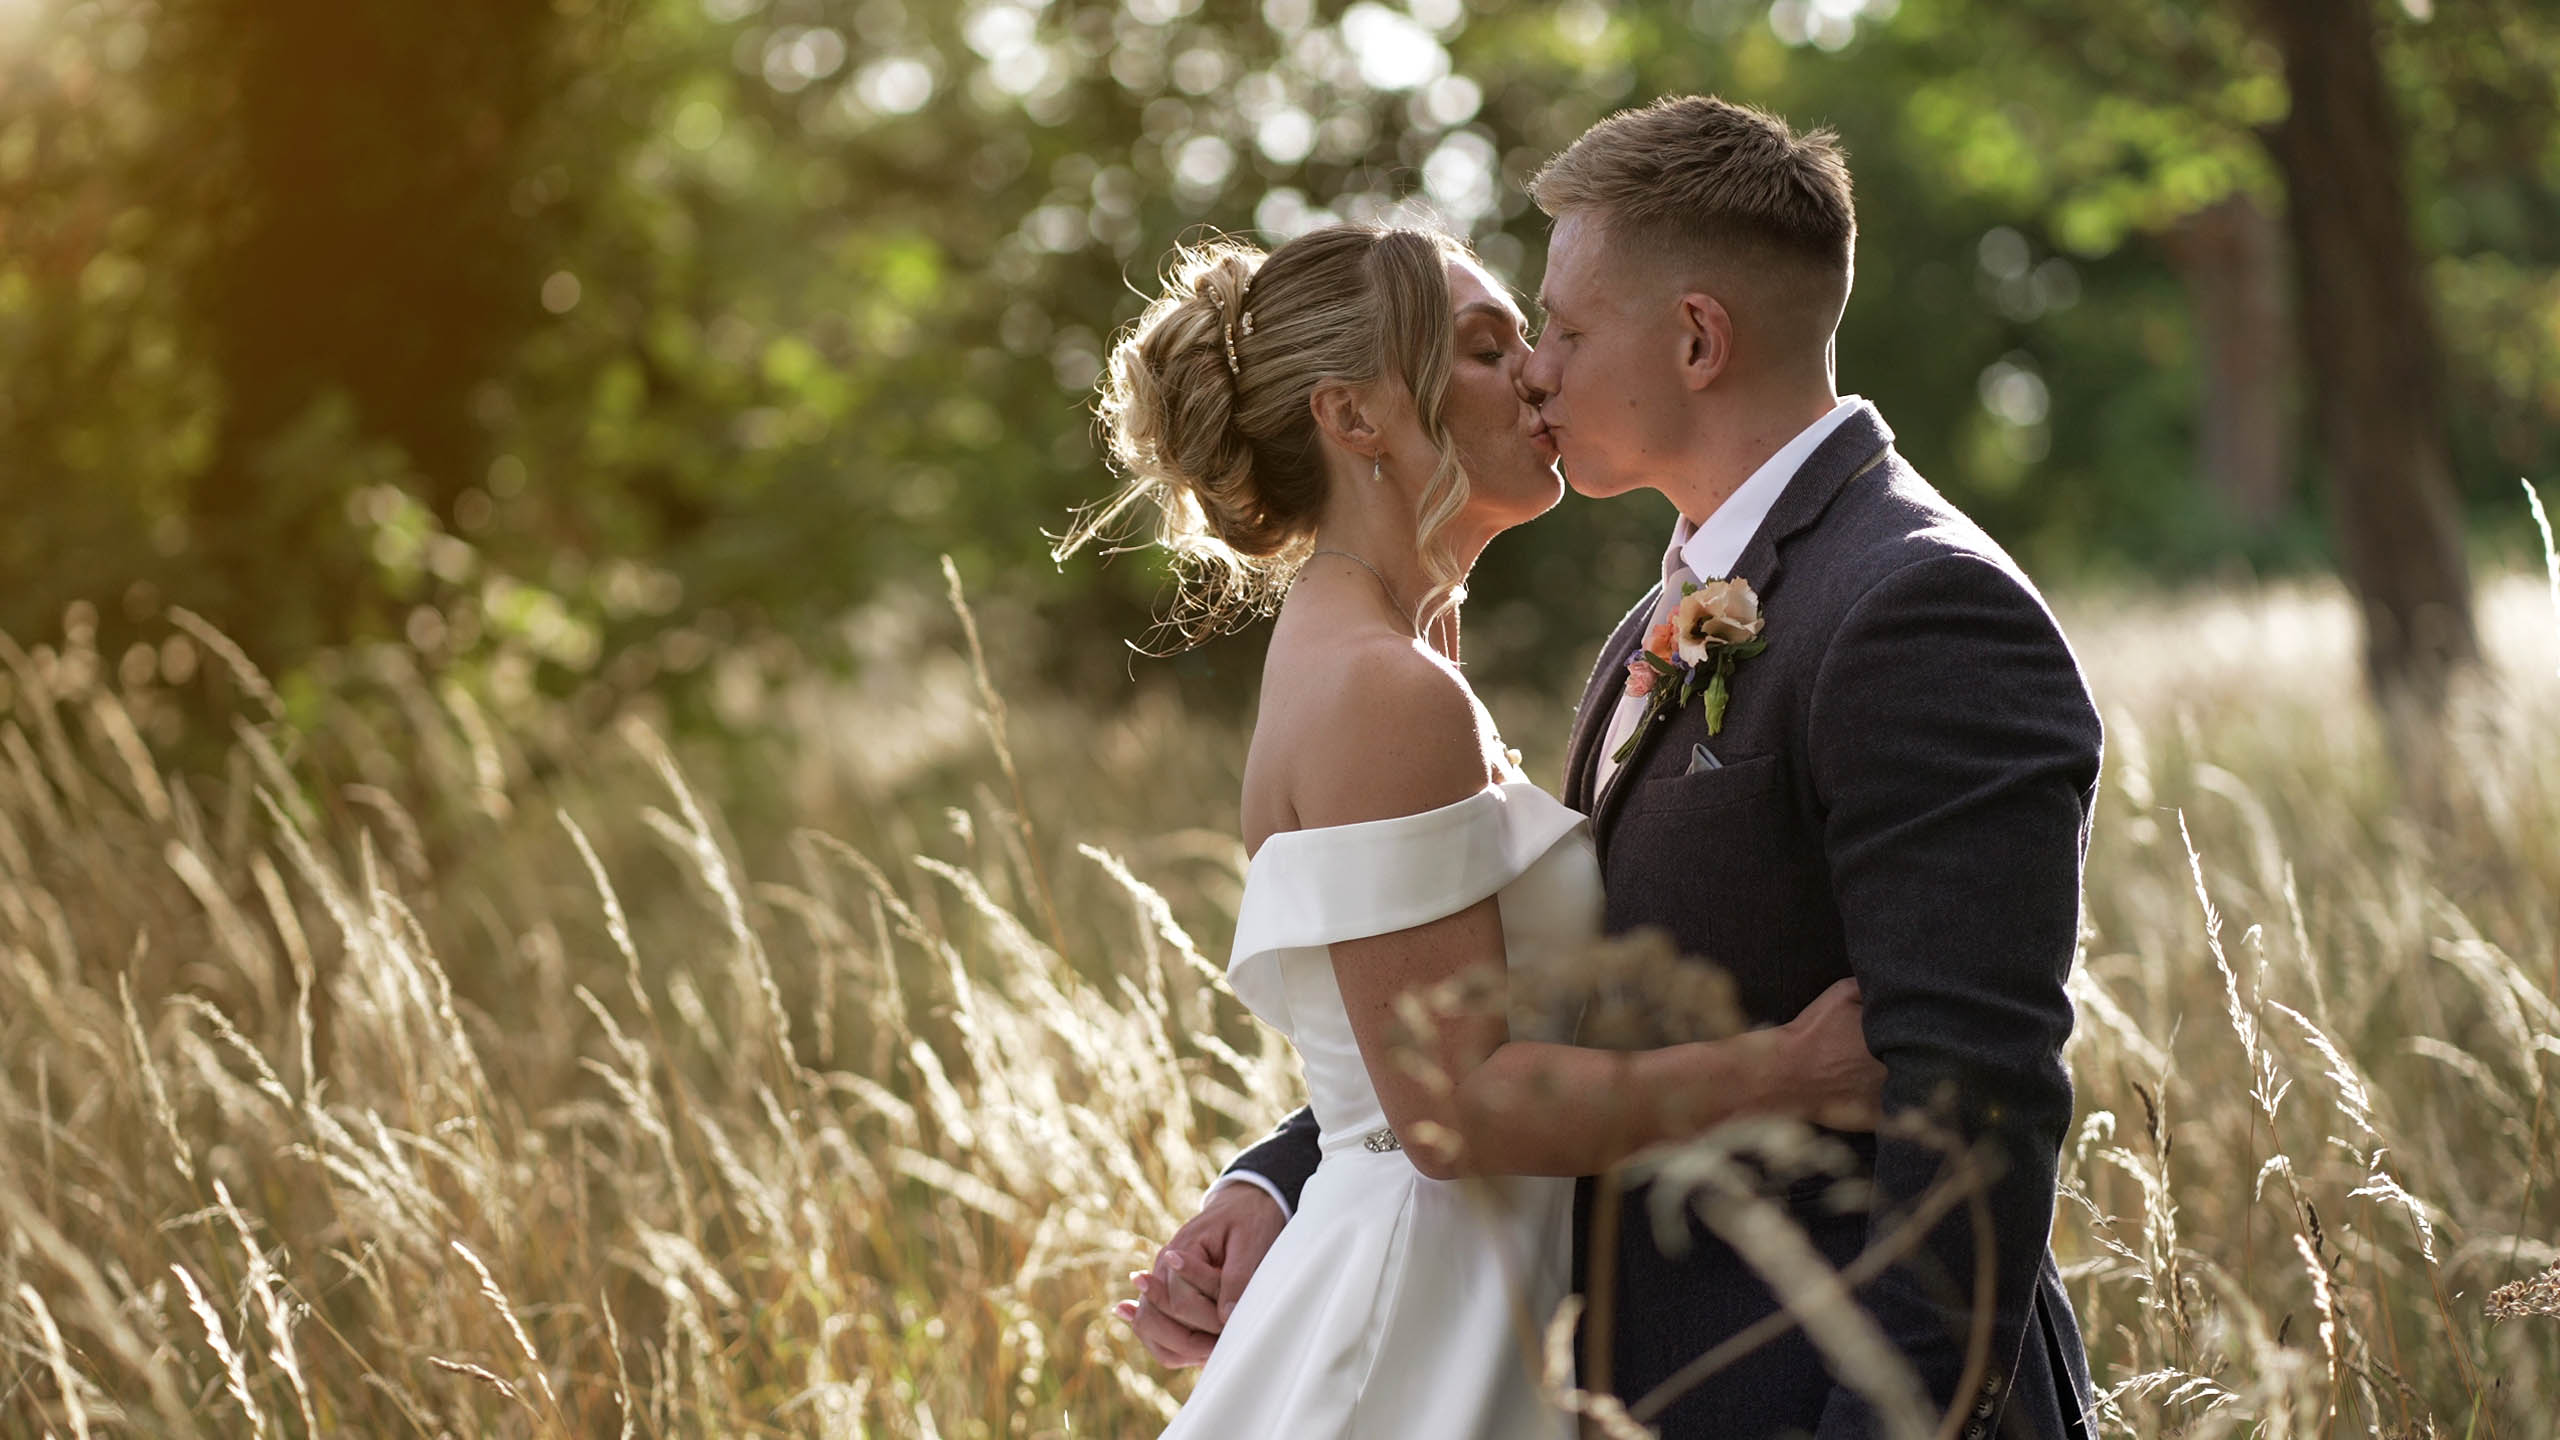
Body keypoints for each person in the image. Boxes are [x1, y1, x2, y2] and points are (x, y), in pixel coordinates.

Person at [1125, 97, 2104, 1440]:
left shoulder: (1919, 607)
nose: (1536, 374)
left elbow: (1971, 1102)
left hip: (1819, 1393)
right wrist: (1289, 1175)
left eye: (1562, 333)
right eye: (1504, 344)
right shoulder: (1644, 630)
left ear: (1697, 338)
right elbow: (1503, 1021)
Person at [1058, 221, 1888, 1438]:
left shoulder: (1392, 658)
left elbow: (1420, 1040)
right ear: (1356, 419)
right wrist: (1793, 1072)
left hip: (1484, 1285)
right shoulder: (1385, 691)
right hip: (1419, 1322)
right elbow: (1449, 1109)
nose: (1539, 375)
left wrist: (1272, 1179)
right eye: (1488, 347)